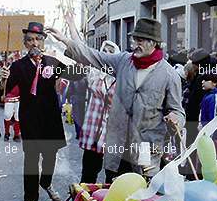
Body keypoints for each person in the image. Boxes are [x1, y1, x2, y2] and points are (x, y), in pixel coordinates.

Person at [47, 16, 185, 181]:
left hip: (146, 148)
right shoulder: (124, 61)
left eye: (140, 41)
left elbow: (177, 110)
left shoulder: (169, 75)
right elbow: (93, 57)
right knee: (114, 191)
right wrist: (66, 41)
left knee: (144, 190)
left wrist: (175, 118)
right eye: (134, 40)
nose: (135, 45)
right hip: (118, 146)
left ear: (153, 43)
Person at [0, 22, 75, 201]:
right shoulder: (18, 66)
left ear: (43, 42)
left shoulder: (53, 62)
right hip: (30, 119)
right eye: (30, 40)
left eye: (38, 39)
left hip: (50, 118)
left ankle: (46, 183)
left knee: (50, 157)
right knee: (31, 161)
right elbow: (6, 92)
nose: (34, 43)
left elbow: (75, 75)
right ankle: (30, 200)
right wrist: (4, 78)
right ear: (26, 44)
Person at [78, 40, 119, 183]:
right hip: (93, 129)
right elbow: (83, 53)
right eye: (104, 51)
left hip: (112, 132)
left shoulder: (121, 79)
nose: (107, 55)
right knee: (88, 173)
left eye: (111, 52)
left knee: (112, 175)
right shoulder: (94, 75)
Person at [199, 73, 217, 156]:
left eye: (206, 80)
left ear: (214, 83)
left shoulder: (215, 97)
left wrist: (209, 139)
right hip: (206, 137)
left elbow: (214, 120)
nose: (202, 82)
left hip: (213, 140)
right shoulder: (208, 96)